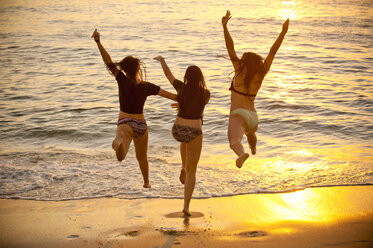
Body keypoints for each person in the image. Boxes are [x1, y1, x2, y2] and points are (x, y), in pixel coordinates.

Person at [91, 29, 177, 188]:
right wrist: (184, 101)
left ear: (124, 69)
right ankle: (147, 183)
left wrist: (98, 42)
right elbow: (171, 96)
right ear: (138, 69)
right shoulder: (146, 86)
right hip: (141, 125)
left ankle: (120, 141)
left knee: (121, 157)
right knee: (142, 157)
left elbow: (108, 61)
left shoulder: (121, 79)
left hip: (125, 122)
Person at [222, 11, 289, 168]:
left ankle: (241, 154)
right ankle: (253, 147)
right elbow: (272, 52)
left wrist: (225, 27)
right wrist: (283, 32)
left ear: (244, 61)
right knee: (250, 132)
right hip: (253, 117)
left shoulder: (239, 69)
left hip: (239, 115)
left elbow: (230, 47)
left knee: (234, 141)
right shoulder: (262, 72)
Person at [154, 56, 210, 216]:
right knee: (193, 172)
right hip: (195, 131)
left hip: (177, 130)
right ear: (201, 78)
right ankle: (186, 206)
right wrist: (182, 102)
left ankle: (183, 166)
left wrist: (163, 60)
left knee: (184, 140)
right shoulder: (206, 93)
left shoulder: (181, 88)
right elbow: (196, 104)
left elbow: (168, 75)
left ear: (186, 77)